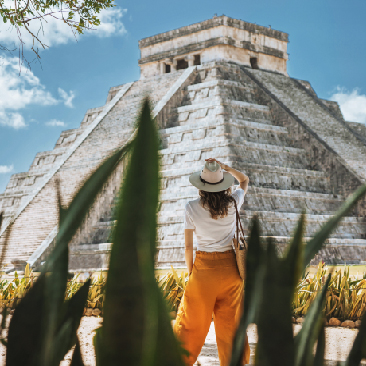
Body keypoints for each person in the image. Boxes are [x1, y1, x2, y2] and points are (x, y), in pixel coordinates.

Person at [173, 158, 251, 366]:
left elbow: (189, 247)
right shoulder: (234, 202)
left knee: (190, 325)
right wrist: (226, 168)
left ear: (202, 186)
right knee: (231, 327)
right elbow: (244, 180)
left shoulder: (191, 208)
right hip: (231, 272)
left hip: (203, 271)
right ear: (224, 185)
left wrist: (192, 273)